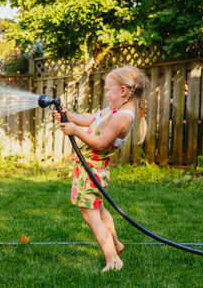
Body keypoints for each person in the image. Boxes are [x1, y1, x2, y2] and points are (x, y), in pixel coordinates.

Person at [54, 65, 148, 272]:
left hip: (92, 171)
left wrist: (75, 130)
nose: (106, 94)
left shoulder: (122, 117)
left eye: (108, 90)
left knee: (90, 215)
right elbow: (93, 120)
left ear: (123, 91)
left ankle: (113, 260)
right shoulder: (116, 110)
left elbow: (101, 143)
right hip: (91, 169)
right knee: (99, 209)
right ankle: (115, 244)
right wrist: (70, 117)